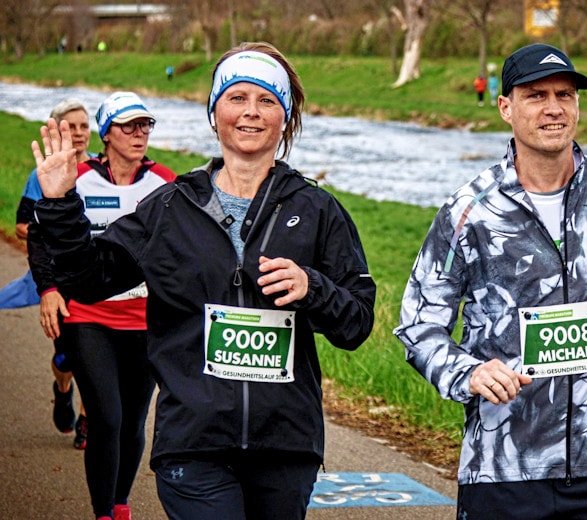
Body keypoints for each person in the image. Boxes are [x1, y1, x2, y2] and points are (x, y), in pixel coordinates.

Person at [31, 41, 376, 520]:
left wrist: (312, 287)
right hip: (193, 444)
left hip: (285, 445)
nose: (251, 113)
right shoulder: (172, 207)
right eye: (236, 98)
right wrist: (60, 202)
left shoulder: (317, 211)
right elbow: (89, 279)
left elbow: (357, 322)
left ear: (286, 117)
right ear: (214, 113)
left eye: (267, 101)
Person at [394, 43, 587, 519]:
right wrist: (469, 372)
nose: (554, 108)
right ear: (506, 107)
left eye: (565, 94)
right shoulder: (469, 212)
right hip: (503, 468)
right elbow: (419, 327)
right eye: (536, 95)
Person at [29, 91, 177, 520]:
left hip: (145, 321)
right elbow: (41, 236)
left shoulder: (164, 183)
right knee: (106, 417)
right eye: (129, 126)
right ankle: (102, 514)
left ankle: (120, 504)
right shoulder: (77, 177)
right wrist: (49, 289)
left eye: (146, 125)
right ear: (107, 132)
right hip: (89, 316)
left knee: (132, 422)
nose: (139, 133)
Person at [15, 98, 94, 449]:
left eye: (83, 126)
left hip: (96, 280)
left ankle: (86, 420)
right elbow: (22, 225)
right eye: (71, 126)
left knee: (93, 357)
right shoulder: (43, 172)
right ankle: (63, 388)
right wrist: (58, 232)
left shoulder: (101, 171)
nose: (78, 133)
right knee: (66, 358)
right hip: (60, 280)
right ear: (59, 130)